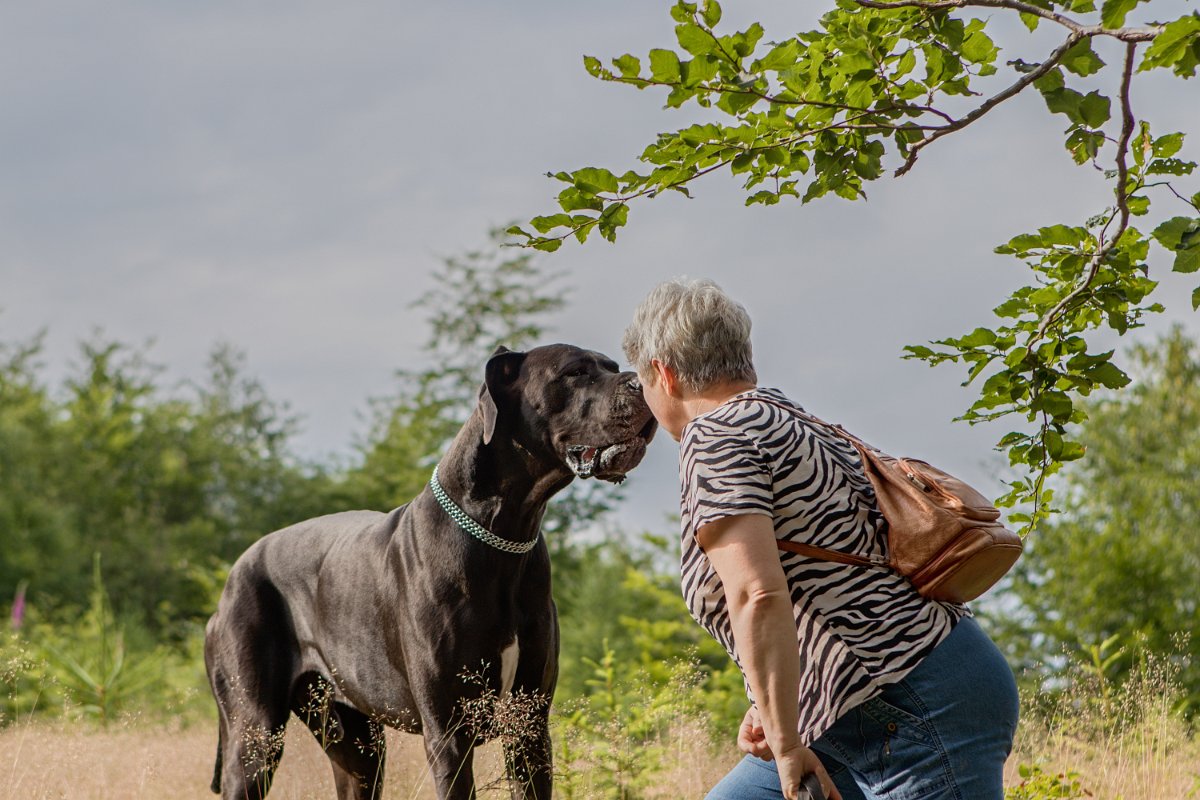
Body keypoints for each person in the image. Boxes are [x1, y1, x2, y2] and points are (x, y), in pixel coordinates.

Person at [622, 278, 1019, 800]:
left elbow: (757, 594)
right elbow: (833, 577)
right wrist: (775, 703)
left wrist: (786, 746)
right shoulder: (791, 419)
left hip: (912, 703)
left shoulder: (713, 436)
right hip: (865, 708)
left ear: (665, 375)